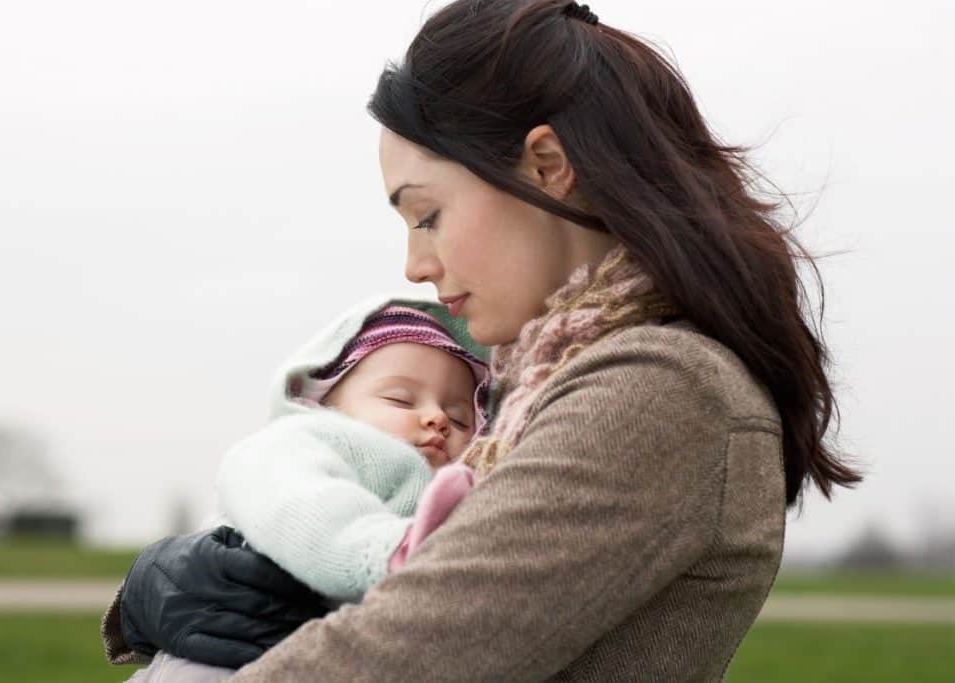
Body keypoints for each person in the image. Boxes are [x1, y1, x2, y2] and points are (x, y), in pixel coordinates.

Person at [102, 1, 861, 680]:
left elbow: (396, 656)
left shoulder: (660, 386)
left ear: (548, 166)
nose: (415, 265)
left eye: (426, 214)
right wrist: (153, 597)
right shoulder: (544, 387)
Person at [116, 299, 492, 682]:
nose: (439, 418)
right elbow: (297, 501)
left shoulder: (461, 485)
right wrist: (386, 549)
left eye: (461, 417)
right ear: (323, 405)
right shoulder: (304, 442)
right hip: (219, 662)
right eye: (400, 398)